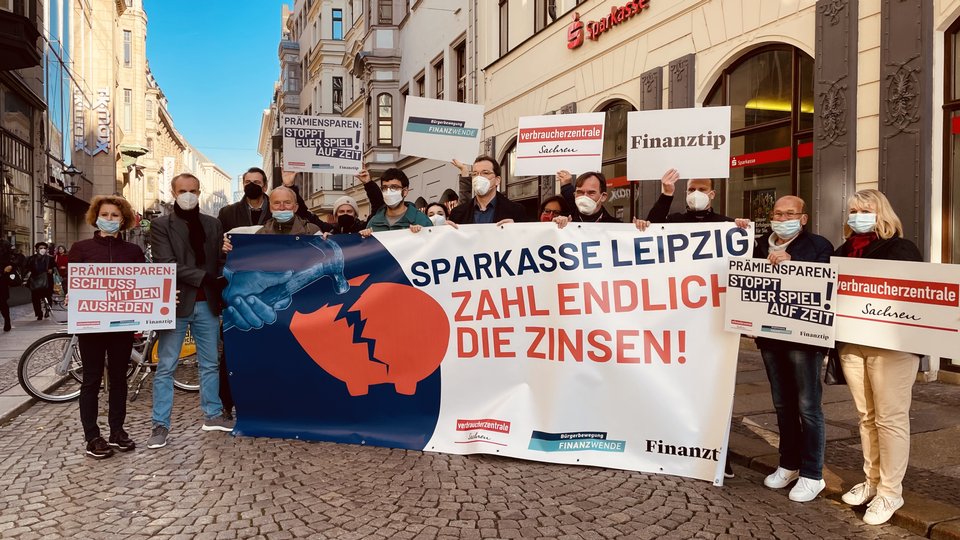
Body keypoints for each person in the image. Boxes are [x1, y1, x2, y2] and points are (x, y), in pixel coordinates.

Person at [835, 189, 923, 525]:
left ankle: (890, 491)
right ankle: (872, 482)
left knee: (891, 419)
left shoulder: (901, 248)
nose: (857, 215)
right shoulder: (844, 251)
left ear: (881, 213)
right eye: (853, 209)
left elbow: (914, 296)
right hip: (852, 344)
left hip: (891, 347)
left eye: (865, 209)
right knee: (866, 416)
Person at [751, 196, 834, 502]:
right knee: (782, 404)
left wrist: (794, 265)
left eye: (790, 213)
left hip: (804, 341)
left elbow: (827, 281)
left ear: (803, 218)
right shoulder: (758, 244)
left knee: (808, 406)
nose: (782, 217)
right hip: (769, 337)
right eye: (777, 213)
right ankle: (788, 463)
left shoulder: (818, 245)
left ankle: (813, 473)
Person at [147, 173, 233, 449]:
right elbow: (166, 263)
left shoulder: (213, 223)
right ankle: (160, 424)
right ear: (173, 193)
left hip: (207, 303)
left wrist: (227, 255)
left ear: (199, 191)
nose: (188, 195)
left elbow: (218, 261)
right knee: (166, 367)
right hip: (175, 303)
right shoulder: (161, 225)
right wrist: (205, 277)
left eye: (193, 190)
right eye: (183, 190)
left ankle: (213, 414)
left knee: (209, 364)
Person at [67, 195, 144, 459]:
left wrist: (163, 298)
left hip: (122, 325)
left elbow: (143, 285)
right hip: (92, 326)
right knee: (91, 380)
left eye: (115, 216)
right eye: (105, 215)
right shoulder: (81, 248)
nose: (109, 219)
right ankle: (92, 436)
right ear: (96, 217)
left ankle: (117, 431)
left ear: (123, 220)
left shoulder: (134, 252)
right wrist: (70, 294)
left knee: (119, 377)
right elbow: (74, 283)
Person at [449, 156, 528, 225]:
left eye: (485, 173)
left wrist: (516, 230)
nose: (479, 178)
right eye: (475, 174)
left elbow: (525, 239)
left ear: (497, 180)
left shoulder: (516, 211)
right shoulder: (458, 213)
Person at [647, 168, 733, 223]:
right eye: (692, 190)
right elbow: (653, 225)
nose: (696, 194)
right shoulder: (675, 220)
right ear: (686, 193)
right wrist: (667, 194)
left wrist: (742, 226)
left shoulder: (725, 223)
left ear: (712, 194)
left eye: (702, 190)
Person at [362, 168, 433, 234]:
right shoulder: (374, 222)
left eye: (394, 187)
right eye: (385, 187)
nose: (388, 191)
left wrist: (422, 233)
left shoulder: (420, 220)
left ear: (405, 191)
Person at [218, 167, 275, 233]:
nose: (251, 185)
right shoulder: (227, 213)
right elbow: (218, 238)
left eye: (256, 182)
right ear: (243, 185)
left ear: (265, 187)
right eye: (247, 182)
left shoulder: (276, 211)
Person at [25, 242, 55, 321]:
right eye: (41, 248)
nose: (43, 250)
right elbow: (27, 268)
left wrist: (52, 270)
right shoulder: (32, 259)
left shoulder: (50, 258)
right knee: (35, 298)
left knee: (48, 296)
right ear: (37, 249)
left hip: (47, 280)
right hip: (36, 280)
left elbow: (55, 267)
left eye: (44, 248)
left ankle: (48, 311)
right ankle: (39, 313)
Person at [1, 240, 16, 332]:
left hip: (2, 278)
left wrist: (11, 265)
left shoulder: (4, 244)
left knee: (2, 302)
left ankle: (7, 320)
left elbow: (18, 257)